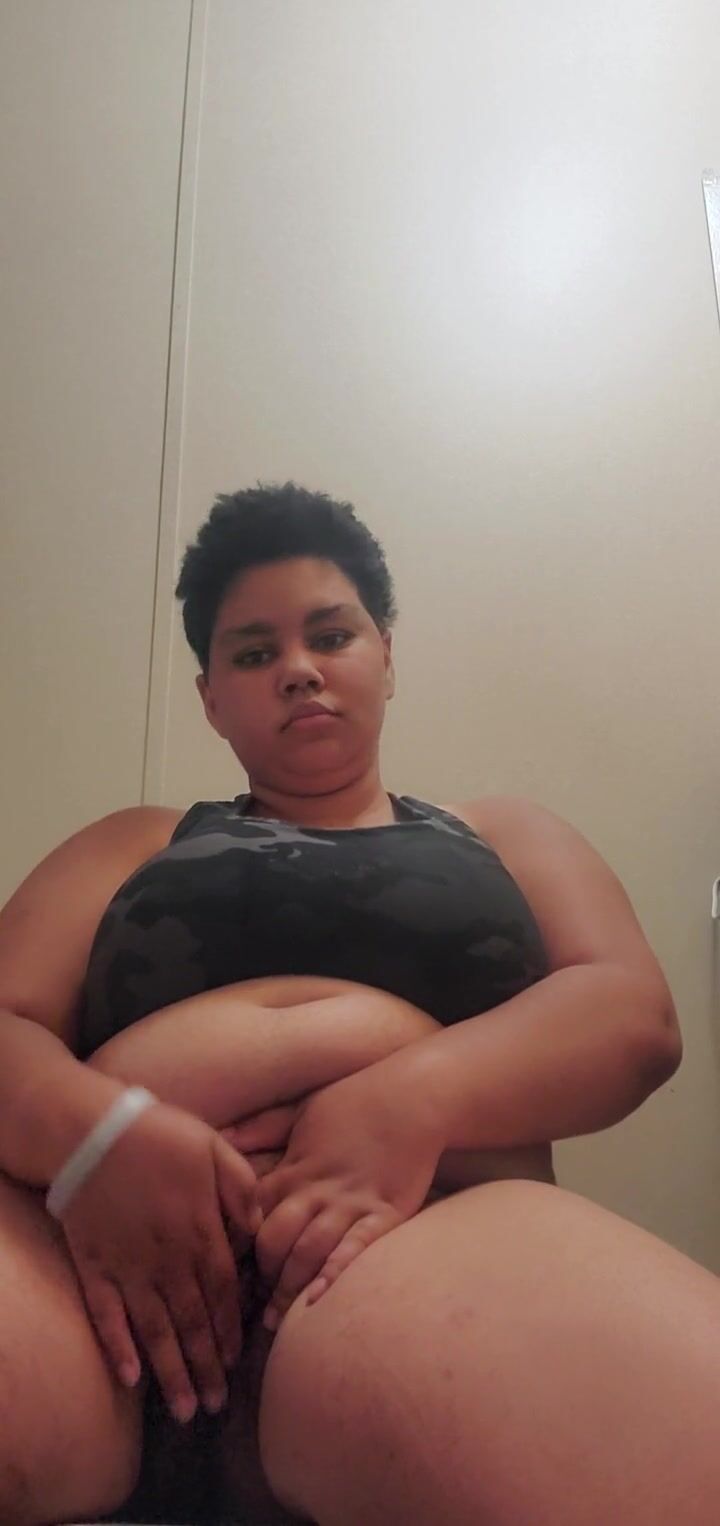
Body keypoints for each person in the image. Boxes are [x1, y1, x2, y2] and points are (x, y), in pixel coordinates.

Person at [0, 481, 719, 1526]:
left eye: (330, 635)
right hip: (85, 1269)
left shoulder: (505, 834)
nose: (297, 667)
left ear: (385, 653)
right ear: (212, 699)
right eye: (254, 652)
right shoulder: (132, 841)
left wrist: (409, 1098)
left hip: (419, 1248)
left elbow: (632, 1017)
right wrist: (89, 1138)